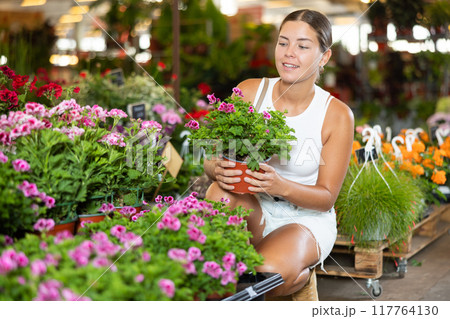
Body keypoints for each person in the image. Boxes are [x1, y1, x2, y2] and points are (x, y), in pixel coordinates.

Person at [204, 9, 354, 298]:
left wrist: (280, 185)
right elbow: (213, 154)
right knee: (217, 193)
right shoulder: (249, 92)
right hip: (254, 208)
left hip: (304, 220)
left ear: (324, 57)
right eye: (283, 42)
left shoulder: (336, 115)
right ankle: (281, 275)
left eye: (302, 46)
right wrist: (215, 167)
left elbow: (326, 199)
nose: (289, 53)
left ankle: (283, 271)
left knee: (263, 278)